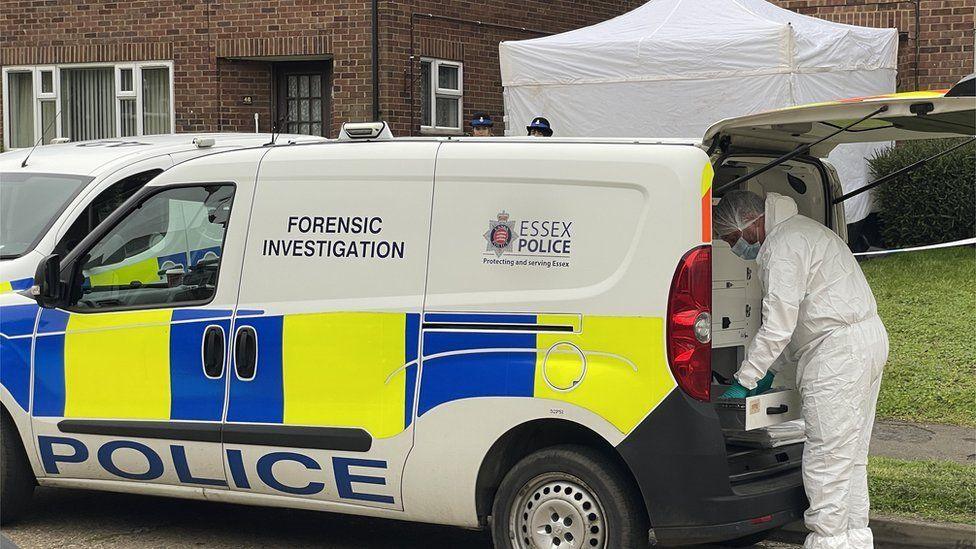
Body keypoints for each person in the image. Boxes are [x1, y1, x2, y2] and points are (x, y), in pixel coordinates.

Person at [713, 190, 888, 549]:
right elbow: (796, 323)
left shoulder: (782, 247)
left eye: (732, 238)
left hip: (837, 354)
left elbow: (778, 326)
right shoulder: (803, 230)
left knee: (826, 458)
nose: (734, 248)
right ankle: (854, 540)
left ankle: (828, 541)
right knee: (850, 458)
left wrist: (745, 380)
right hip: (863, 341)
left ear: (752, 223)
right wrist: (771, 371)